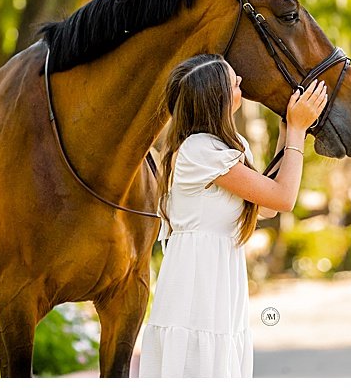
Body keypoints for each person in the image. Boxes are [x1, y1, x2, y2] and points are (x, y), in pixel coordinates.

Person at [137, 54, 328, 377]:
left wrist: (287, 131)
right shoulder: (199, 150)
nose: (241, 83)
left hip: (220, 278)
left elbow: (265, 204)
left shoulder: (226, 147)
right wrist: (297, 130)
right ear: (217, 98)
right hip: (197, 283)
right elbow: (282, 199)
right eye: (233, 82)